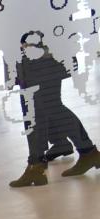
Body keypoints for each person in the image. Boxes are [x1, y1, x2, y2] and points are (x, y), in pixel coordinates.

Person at [9, 35, 100, 187]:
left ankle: (36, 166)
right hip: (42, 54)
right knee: (47, 107)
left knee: (39, 109)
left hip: (37, 57)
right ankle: (87, 152)